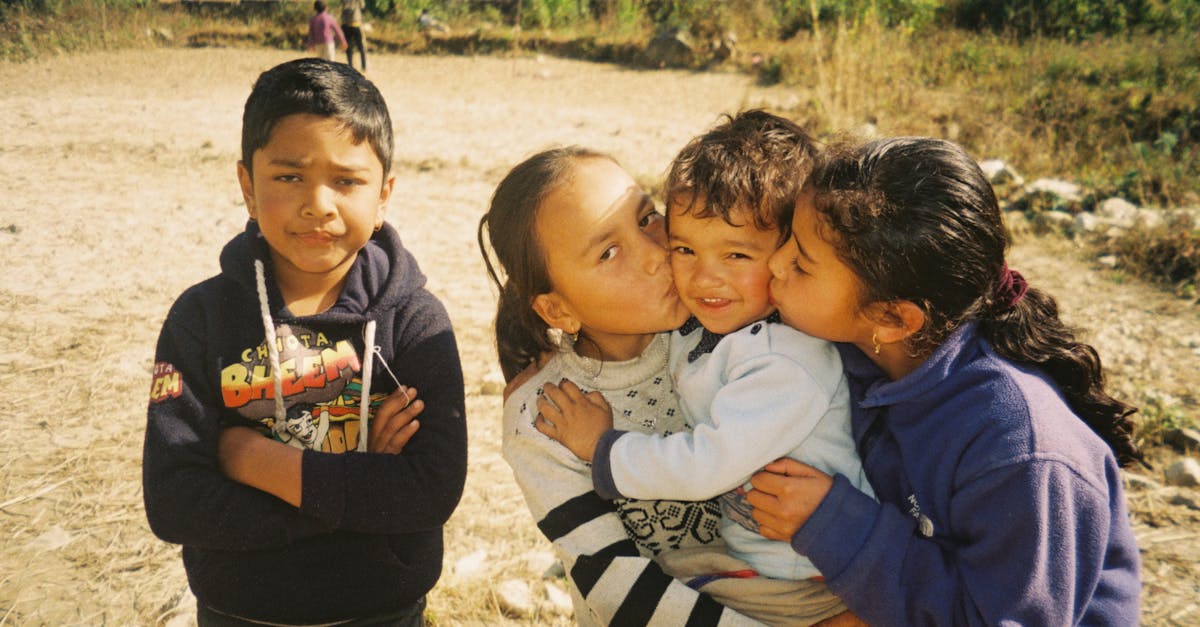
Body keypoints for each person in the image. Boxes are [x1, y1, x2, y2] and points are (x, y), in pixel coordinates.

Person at [747, 137, 1142, 625]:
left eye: (801, 263)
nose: (773, 263)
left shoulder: (1021, 452)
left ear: (893, 319)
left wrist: (834, 525)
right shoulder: (864, 346)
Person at [143, 58, 468, 626]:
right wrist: (359, 482)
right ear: (247, 184)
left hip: (382, 609)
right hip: (238, 610)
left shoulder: (415, 322)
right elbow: (174, 502)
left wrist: (258, 461)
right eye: (290, 176)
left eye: (346, 180)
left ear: (384, 192)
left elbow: (429, 492)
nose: (318, 203)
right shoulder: (200, 319)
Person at [479, 144, 861, 626]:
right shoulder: (547, 415)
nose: (657, 256)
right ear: (558, 310)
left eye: (646, 219)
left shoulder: (725, 325)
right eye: (609, 252)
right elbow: (617, 586)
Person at [340, 0, 367, 71]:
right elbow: (363, 7)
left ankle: (351, 66)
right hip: (355, 24)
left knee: (350, 48)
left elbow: (341, 8)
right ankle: (363, 66)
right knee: (360, 47)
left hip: (347, 24)